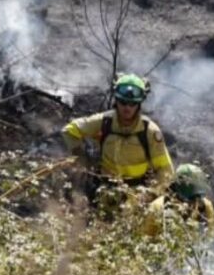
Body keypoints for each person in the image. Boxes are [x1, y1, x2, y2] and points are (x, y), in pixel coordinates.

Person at [62, 73, 174, 202]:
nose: (127, 107)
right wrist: (81, 157)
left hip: (136, 195)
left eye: (132, 103)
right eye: (123, 102)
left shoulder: (150, 131)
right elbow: (69, 131)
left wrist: (150, 195)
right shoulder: (104, 122)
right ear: (116, 100)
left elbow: (166, 170)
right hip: (103, 190)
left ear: (139, 104)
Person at [144, 163, 214, 238]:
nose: (195, 203)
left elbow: (210, 236)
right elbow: (148, 238)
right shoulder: (158, 207)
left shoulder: (206, 206)